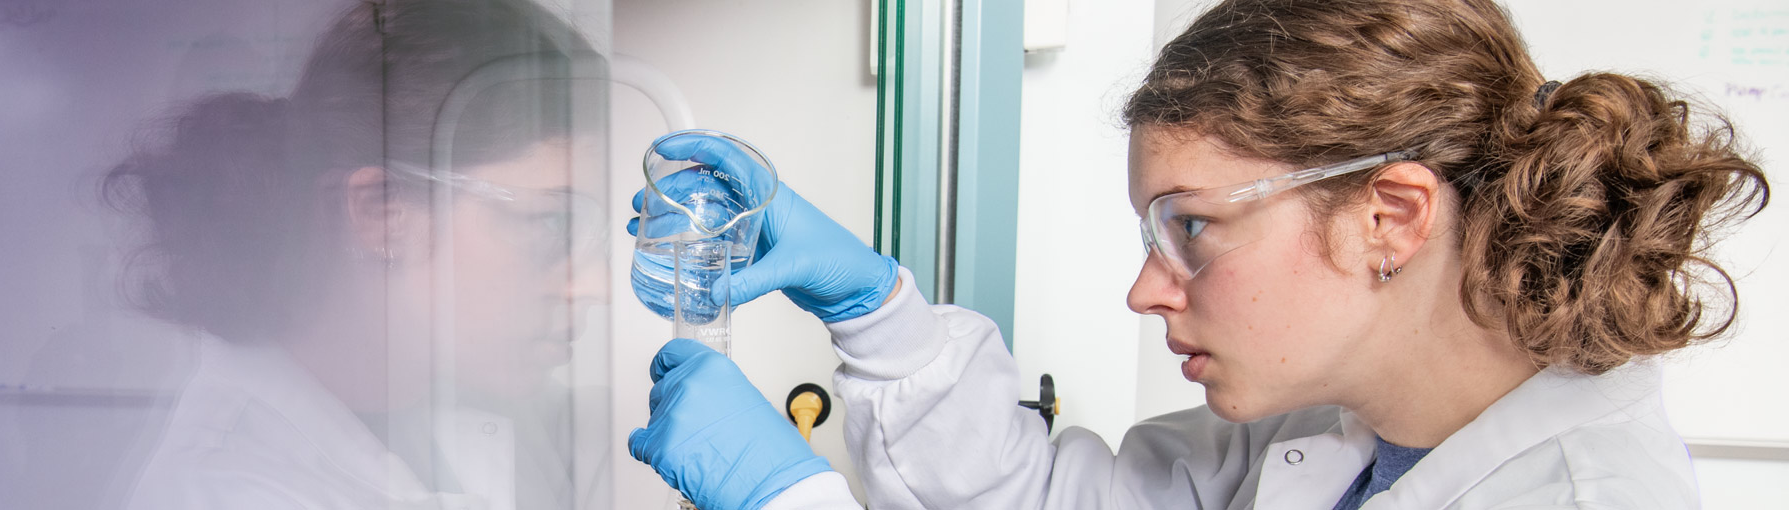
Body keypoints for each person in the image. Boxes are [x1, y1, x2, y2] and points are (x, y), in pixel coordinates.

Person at [624, 0, 1772, 509]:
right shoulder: (1335, 433)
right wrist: (870, 306)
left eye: (1192, 227)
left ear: (1392, 217)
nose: (1145, 286)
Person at [105, 1, 604, 508]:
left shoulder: (461, 394)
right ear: (381, 213)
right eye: (548, 222)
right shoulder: (225, 490)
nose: (594, 285)